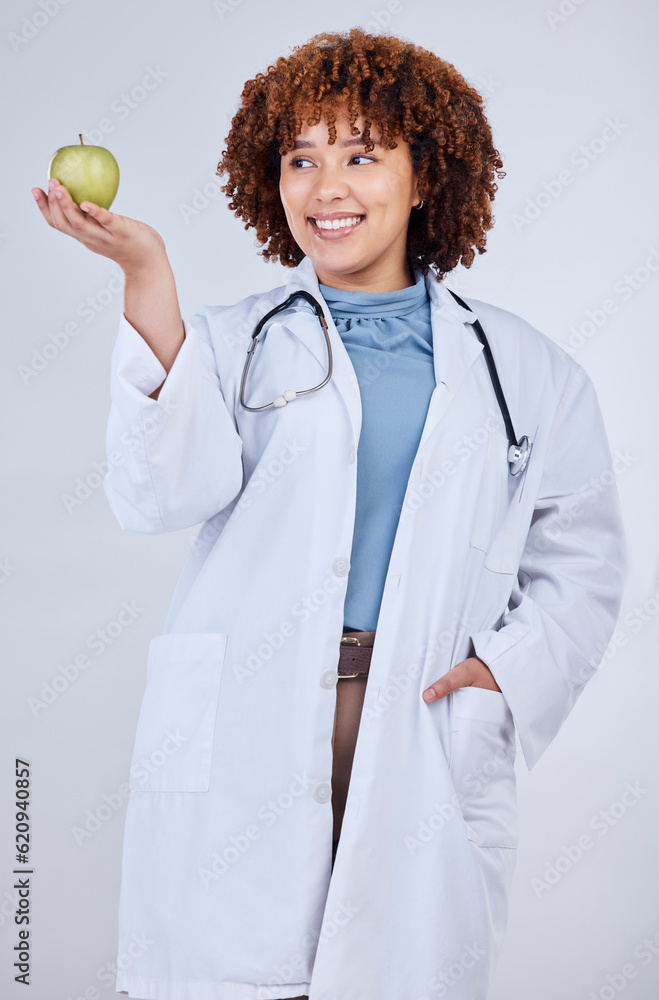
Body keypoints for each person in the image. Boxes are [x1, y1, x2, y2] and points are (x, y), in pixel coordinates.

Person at [33, 26, 625, 1000]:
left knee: (391, 970)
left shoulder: (523, 371)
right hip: (249, 715)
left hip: (421, 708)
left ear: (425, 174)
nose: (324, 186)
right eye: (299, 157)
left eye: (359, 154)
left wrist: (501, 675)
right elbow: (155, 496)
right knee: (234, 970)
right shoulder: (228, 343)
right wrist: (147, 277)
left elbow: (582, 560)